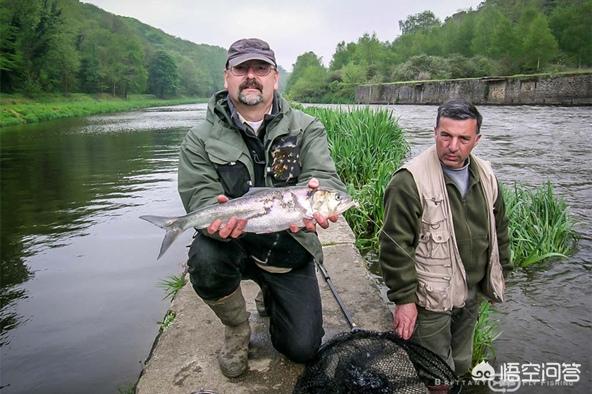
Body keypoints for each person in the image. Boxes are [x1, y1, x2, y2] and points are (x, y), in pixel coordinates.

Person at [177, 38, 346, 378]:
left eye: (261, 69)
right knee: (204, 258)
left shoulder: (306, 126)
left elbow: (327, 179)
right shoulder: (199, 137)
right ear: (227, 77)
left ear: (275, 77)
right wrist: (214, 214)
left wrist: (321, 194)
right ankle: (238, 328)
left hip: (287, 247)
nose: (251, 76)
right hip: (232, 244)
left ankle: (271, 294)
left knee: (303, 348)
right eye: (241, 69)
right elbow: (199, 196)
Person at [379, 99, 512, 377]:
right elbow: (394, 247)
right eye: (446, 136)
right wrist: (404, 301)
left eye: (463, 138)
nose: (453, 146)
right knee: (434, 371)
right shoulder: (408, 181)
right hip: (431, 297)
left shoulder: (486, 174)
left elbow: (499, 229)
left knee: (462, 363)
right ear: (434, 132)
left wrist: (501, 274)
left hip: (472, 290)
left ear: (477, 139)